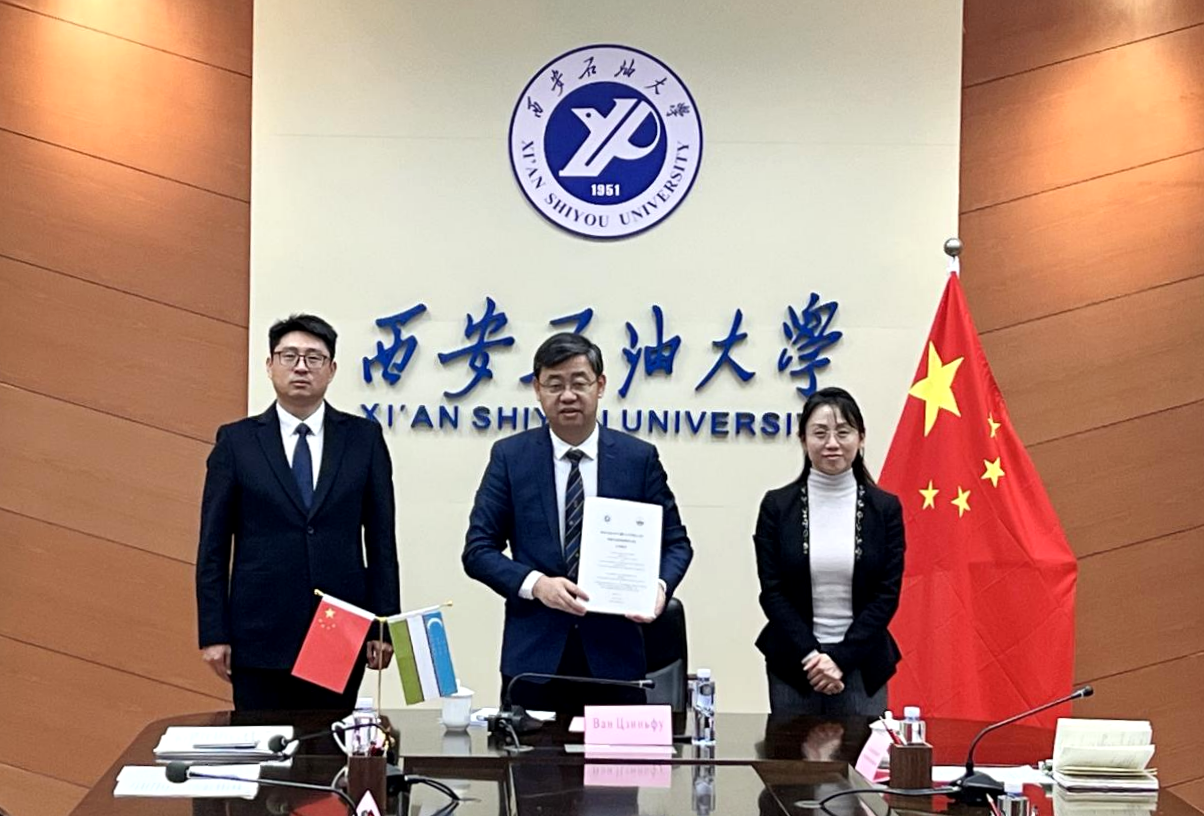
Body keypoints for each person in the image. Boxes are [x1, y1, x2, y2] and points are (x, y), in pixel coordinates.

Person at [463, 332, 693, 714]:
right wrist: (537, 585)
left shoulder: (637, 459)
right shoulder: (511, 457)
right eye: (554, 385)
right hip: (534, 664)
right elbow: (478, 550)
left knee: (616, 757)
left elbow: (676, 544)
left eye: (578, 383)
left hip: (616, 661)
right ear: (537, 390)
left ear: (600, 386)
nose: (567, 395)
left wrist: (658, 587)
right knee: (530, 755)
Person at [196, 314, 400, 711]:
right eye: (289, 356)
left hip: (340, 628)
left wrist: (383, 624)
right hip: (258, 633)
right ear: (270, 365)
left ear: (332, 369)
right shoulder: (237, 442)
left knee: (329, 740)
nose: (301, 367)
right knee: (264, 743)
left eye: (314, 357)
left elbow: (381, 542)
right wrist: (213, 631)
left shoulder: (364, 439)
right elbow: (213, 548)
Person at [753, 387, 905, 715]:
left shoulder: (885, 509)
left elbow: (887, 595)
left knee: (861, 750)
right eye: (820, 433)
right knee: (792, 749)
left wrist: (840, 659)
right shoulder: (776, 507)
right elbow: (773, 593)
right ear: (803, 440)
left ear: (861, 438)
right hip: (795, 664)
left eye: (843, 432)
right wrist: (813, 657)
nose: (832, 443)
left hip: (863, 662)